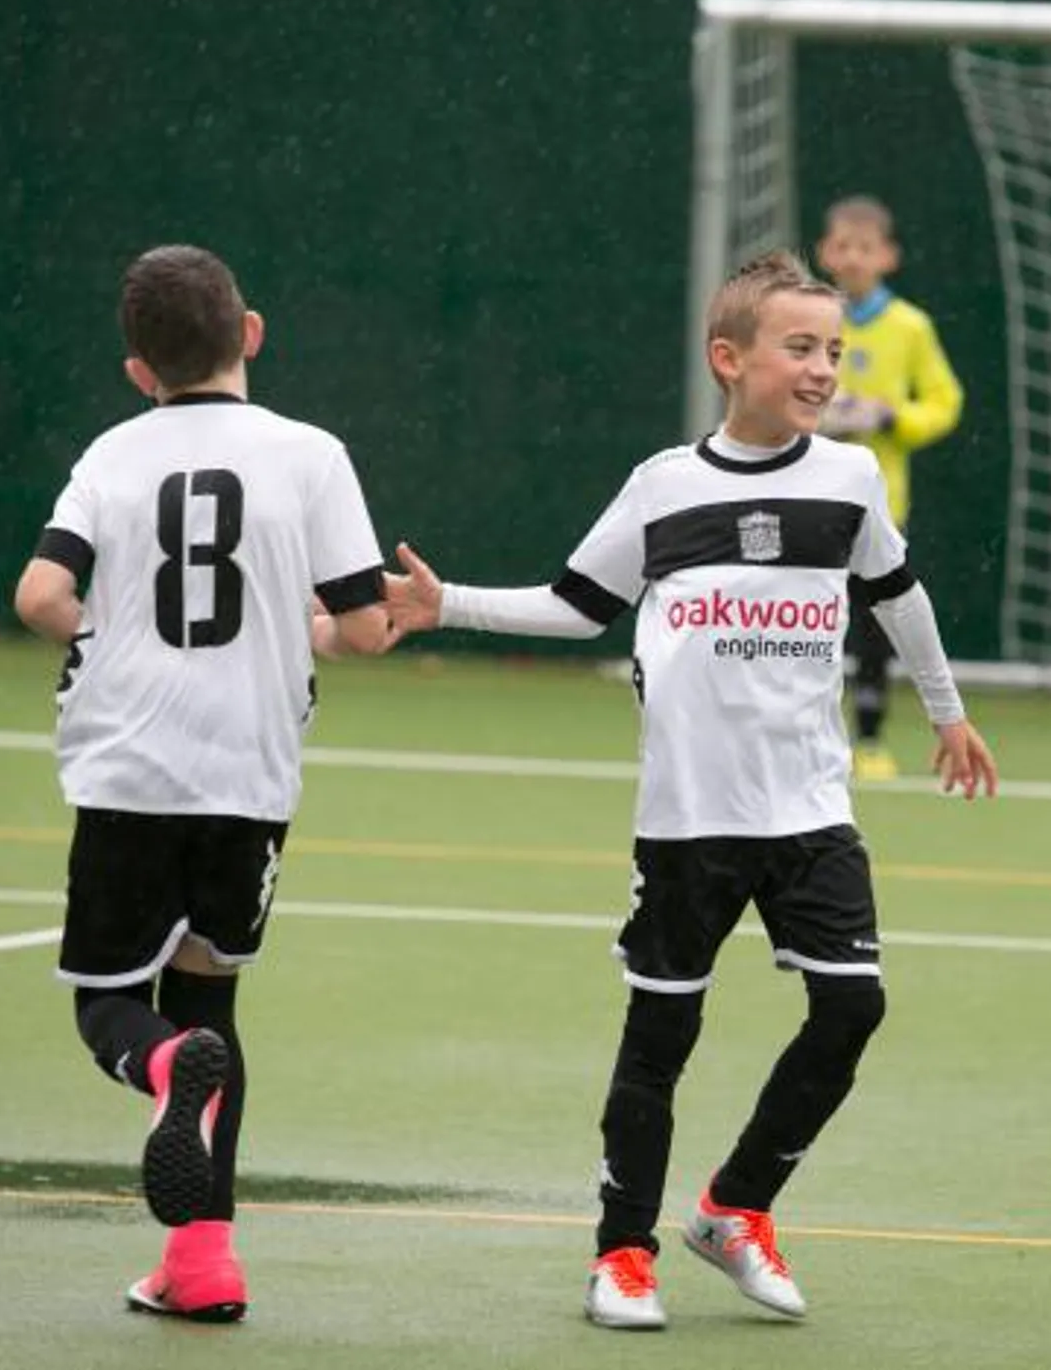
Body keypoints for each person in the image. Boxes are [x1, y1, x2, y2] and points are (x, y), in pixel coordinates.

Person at [385, 249, 997, 1331]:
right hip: (687, 824)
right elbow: (576, 603)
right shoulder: (664, 485)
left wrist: (946, 714)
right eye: (798, 347)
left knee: (851, 1006)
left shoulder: (849, 481)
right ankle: (620, 1255)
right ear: (730, 358)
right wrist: (450, 606)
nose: (821, 369)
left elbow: (899, 599)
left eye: (833, 351)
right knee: (660, 1037)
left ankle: (733, 1209)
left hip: (810, 811)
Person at [12, 244, 394, 1323]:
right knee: (211, 999)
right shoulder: (312, 454)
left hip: (133, 764)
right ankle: (202, 1263)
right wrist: (324, 624)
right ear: (252, 334)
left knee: (111, 1009)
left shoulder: (113, 454)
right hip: (249, 776)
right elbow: (361, 626)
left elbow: (42, 590)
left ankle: (162, 1065)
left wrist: (105, 630)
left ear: (139, 371)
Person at [814, 195, 965, 781]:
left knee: (874, 624)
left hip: (877, 503)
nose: (853, 258)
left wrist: (889, 418)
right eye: (842, 246)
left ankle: (870, 739)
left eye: (866, 248)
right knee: (805, 618)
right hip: (806, 496)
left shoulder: (910, 327)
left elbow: (944, 403)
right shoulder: (811, 316)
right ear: (826, 253)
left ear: (888, 257)